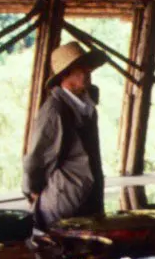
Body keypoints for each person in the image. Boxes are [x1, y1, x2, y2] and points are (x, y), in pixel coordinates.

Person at [22, 41, 108, 229]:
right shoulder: (55, 111)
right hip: (65, 201)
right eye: (80, 68)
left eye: (87, 67)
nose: (87, 72)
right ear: (65, 74)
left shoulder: (86, 106)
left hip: (90, 198)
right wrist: (33, 192)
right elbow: (36, 158)